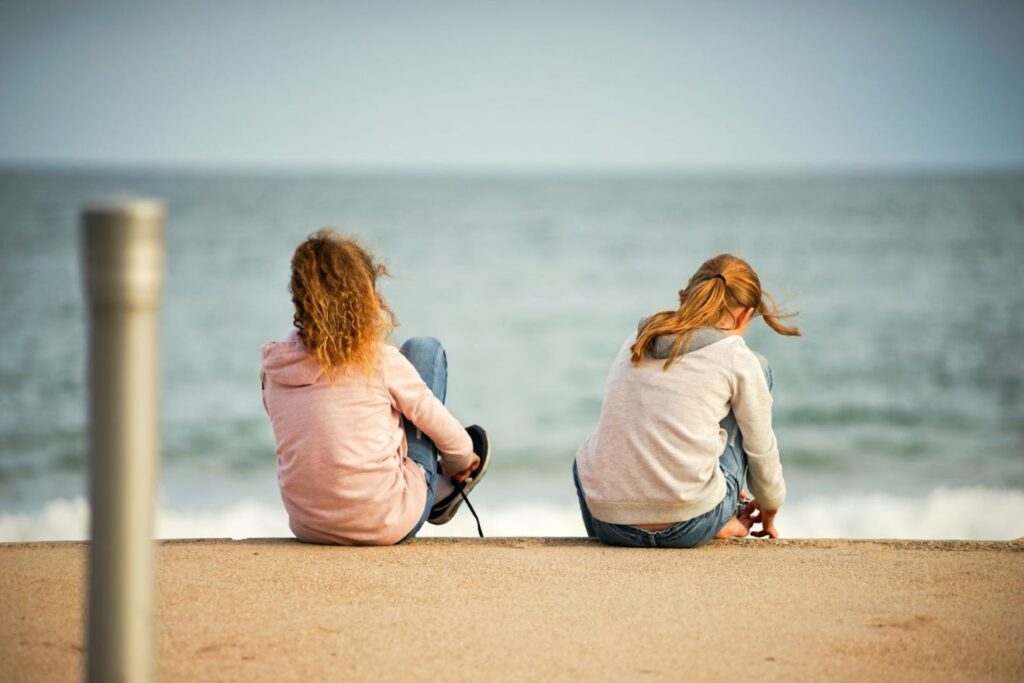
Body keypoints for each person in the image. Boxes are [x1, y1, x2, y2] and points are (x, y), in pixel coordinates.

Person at [261, 229, 490, 545]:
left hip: (308, 525)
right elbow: (459, 446)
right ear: (366, 295)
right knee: (424, 349)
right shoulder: (380, 360)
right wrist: (462, 464)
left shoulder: (274, 366)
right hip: (385, 523)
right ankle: (443, 488)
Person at [573, 254, 799, 548]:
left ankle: (660, 503)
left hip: (609, 526)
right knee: (758, 366)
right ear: (746, 314)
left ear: (686, 298)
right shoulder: (734, 355)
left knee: (595, 447)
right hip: (691, 524)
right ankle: (719, 515)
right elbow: (760, 446)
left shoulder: (638, 338)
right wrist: (770, 503)